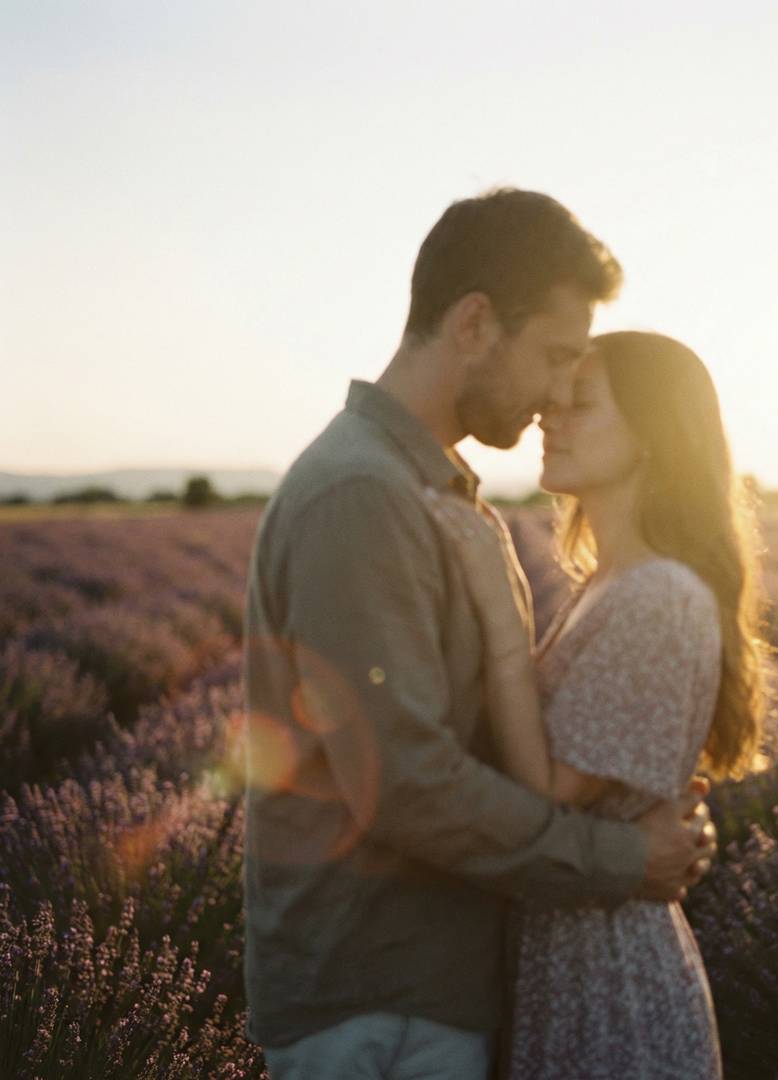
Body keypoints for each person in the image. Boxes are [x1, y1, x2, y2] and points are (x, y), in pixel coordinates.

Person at [242, 190, 720, 1080]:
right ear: (474, 324)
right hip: (375, 1005)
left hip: (425, 994)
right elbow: (405, 782)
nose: (552, 395)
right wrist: (620, 857)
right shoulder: (365, 496)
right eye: (552, 356)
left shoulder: (442, 497)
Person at [427, 331, 770, 1079]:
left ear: (653, 436)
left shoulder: (656, 594)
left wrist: (498, 607)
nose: (551, 418)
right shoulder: (613, 582)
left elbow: (549, 790)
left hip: (609, 981)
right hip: (571, 948)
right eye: (554, 402)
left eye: (580, 405)